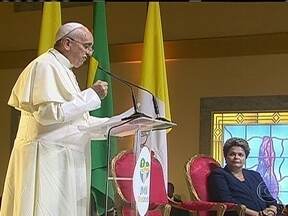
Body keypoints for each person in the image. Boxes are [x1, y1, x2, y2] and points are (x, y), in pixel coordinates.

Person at [0, 22, 110, 216]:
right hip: (46, 160)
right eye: (86, 46)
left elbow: (76, 121)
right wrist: (91, 95)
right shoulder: (45, 65)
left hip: (66, 162)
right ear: (67, 43)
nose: (90, 53)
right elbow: (49, 114)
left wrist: (115, 125)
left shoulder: (64, 70)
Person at [208, 137, 279, 216]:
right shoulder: (218, 174)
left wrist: (272, 210)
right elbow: (227, 202)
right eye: (232, 154)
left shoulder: (255, 175)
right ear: (225, 157)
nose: (236, 157)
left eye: (240, 155)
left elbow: (269, 198)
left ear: (245, 158)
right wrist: (257, 214)